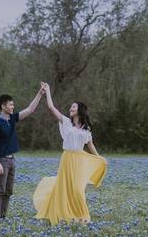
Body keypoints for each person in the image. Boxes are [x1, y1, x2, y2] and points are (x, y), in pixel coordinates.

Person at [32, 82, 107, 225]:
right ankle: (63, 214)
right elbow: (51, 107)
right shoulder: (66, 122)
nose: (70, 108)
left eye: (73, 106)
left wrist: (99, 158)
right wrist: (47, 91)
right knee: (64, 188)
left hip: (79, 160)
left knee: (78, 190)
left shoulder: (86, 130)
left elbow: (90, 145)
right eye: (71, 107)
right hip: (67, 159)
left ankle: (81, 215)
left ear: (80, 110)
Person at [0, 85, 44, 219]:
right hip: (2, 160)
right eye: (11, 105)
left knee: (8, 192)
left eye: (13, 105)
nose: (13, 107)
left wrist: (40, 94)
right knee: (0, 191)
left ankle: (3, 217)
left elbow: (30, 109)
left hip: (12, 160)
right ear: (3, 106)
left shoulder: (12, 119)